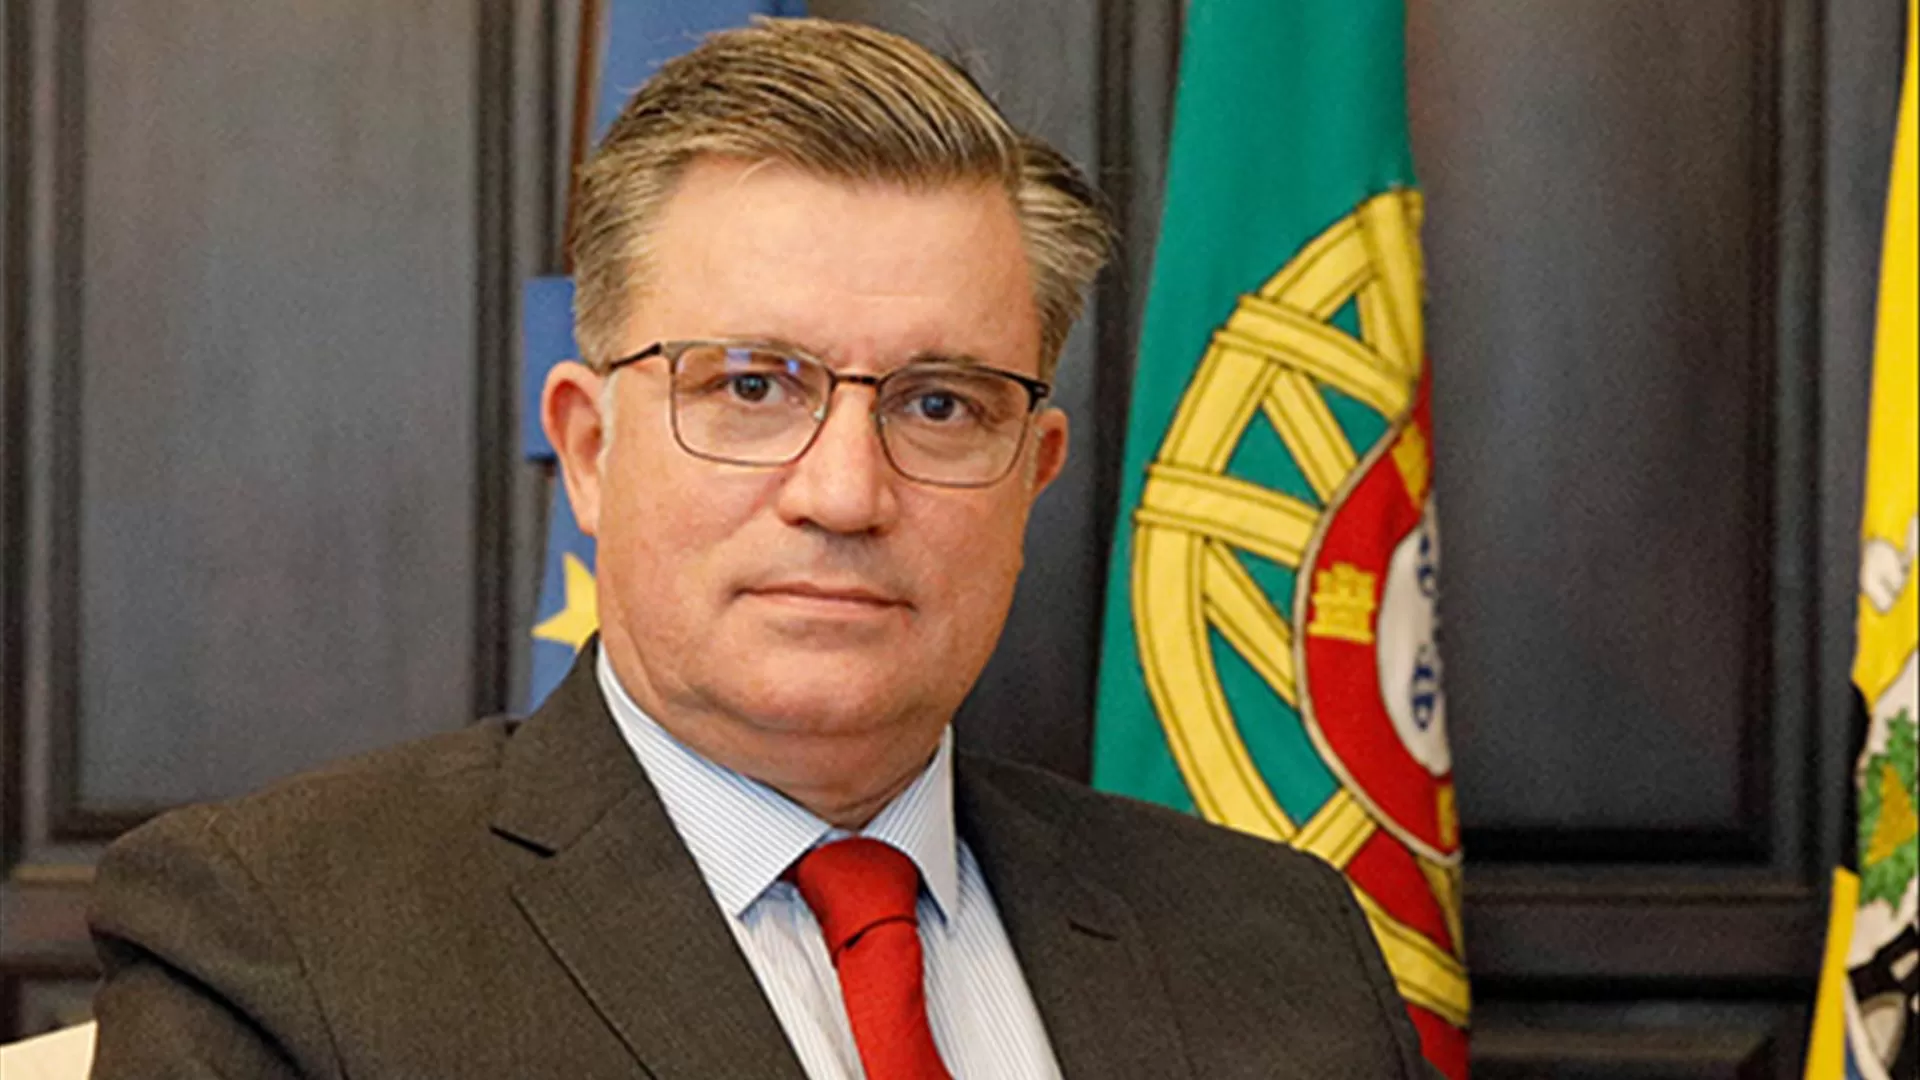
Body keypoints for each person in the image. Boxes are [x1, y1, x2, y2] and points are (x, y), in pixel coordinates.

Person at [87, 18, 1433, 1079]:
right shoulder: (282, 940)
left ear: (1032, 474)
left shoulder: (1280, 944)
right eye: (750, 387)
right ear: (592, 449)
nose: (844, 494)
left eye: (940, 404)